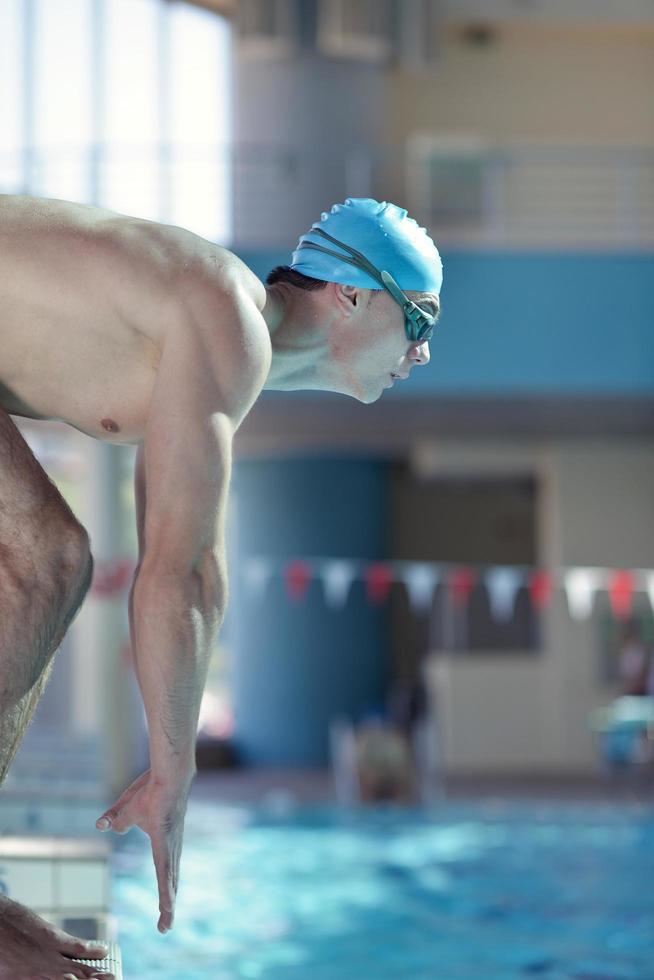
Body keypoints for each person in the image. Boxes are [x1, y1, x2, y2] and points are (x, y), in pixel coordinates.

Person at [0, 194, 441, 978]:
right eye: (421, 319)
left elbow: (184, 565)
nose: (424, 352)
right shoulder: (227, 312)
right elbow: (183, 572)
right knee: (46, 560)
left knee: (50, 559)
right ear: (353, 293)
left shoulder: (217, 343)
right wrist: (174, 774)